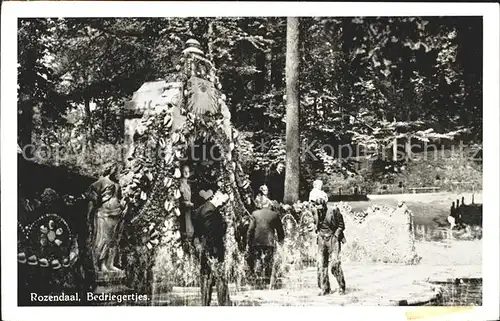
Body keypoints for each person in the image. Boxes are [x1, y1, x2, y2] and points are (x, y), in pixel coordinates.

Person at [192, 190, 231, 306]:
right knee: (219, 277)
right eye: (223, 202)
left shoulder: (201, 208)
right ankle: (223, 304)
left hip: (205, 248)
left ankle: (206, 303)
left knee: (206, 277)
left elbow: (197, 230)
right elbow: (211, 233)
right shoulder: (210, 210)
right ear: (217, 196)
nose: (223, 205)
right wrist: (224, 225)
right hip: (212, 249)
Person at [86, 164, 126, 275]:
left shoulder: (117, 184)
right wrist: (90, 213)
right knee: (104, 239)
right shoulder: (101, 182)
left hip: (117, 213)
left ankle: (110, 263)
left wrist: (123, 204)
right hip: (104, 213)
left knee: (113, 240)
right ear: (109, 169)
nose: (116, 171)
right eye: (114, 169)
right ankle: (101, 264)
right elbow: (91, 195)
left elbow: (118, 198)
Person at [246, 200, 285, 288]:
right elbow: (280, 230)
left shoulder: (255, 214)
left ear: (260, 205)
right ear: (269, 205)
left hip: (256, 242)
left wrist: (248, 241)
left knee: (258, 260)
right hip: (269, 242)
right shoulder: (274, 214)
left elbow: (250, 230)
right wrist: (281, 241)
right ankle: (267, 282)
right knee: (268, 261)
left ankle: (258, 280)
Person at [315, 203, 346, 296]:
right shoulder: (314, 211)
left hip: (332, 238)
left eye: (321, 208)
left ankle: (341, 286)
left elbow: (341, 225)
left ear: (325, 205)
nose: (320, 211)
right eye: (318, 208)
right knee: (321, 264)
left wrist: (336, 235)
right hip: (321, 239)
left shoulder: (333, 211)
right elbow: (314, 223)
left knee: (334, 264)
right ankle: (325, 288)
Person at [179, 165, 195, 247]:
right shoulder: (181, 182)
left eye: (187, 171)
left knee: (190, 225)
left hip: (189, 208)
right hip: (184, 208)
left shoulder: (188, 183)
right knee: (186, 226)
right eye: (184, 171)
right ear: (181, 172)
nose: (186, 173)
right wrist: (187, 203)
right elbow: (180, 199)